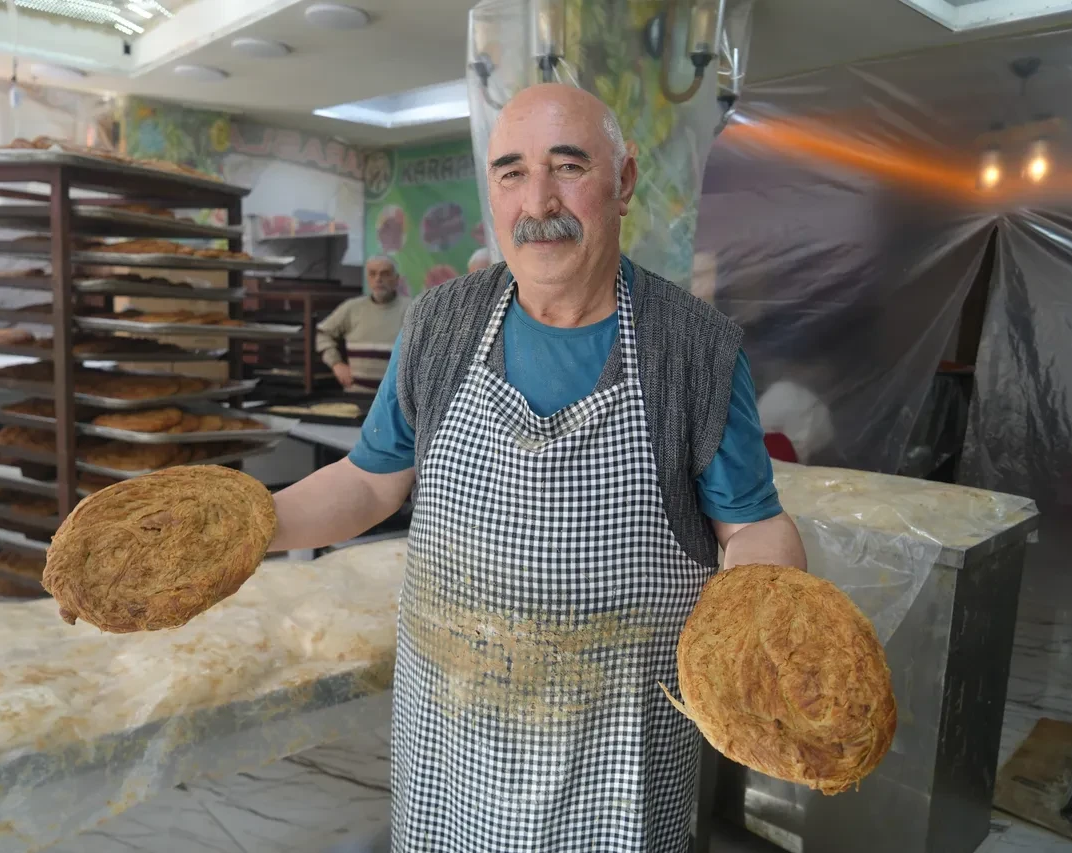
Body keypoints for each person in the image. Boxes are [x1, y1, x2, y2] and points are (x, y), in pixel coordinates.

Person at [273, 84, 805, 852]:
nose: (538, 201)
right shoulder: (438, 326)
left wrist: (774, 615)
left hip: (615, 772)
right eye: (512, 172)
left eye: (568, 165)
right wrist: (242, 525)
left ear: (622, 183)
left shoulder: (694, 350)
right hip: (451, 754)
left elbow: (751, 525)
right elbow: (368, 481)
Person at [315, 255, 409, 393]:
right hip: (356, 397)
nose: (378, 279)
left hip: (394, 402)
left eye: (385, 274)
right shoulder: (351, 308)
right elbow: (323, 334)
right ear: (367, 279)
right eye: (372, 274)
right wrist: (336, 364)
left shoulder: (413, 310)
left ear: (396, 279)